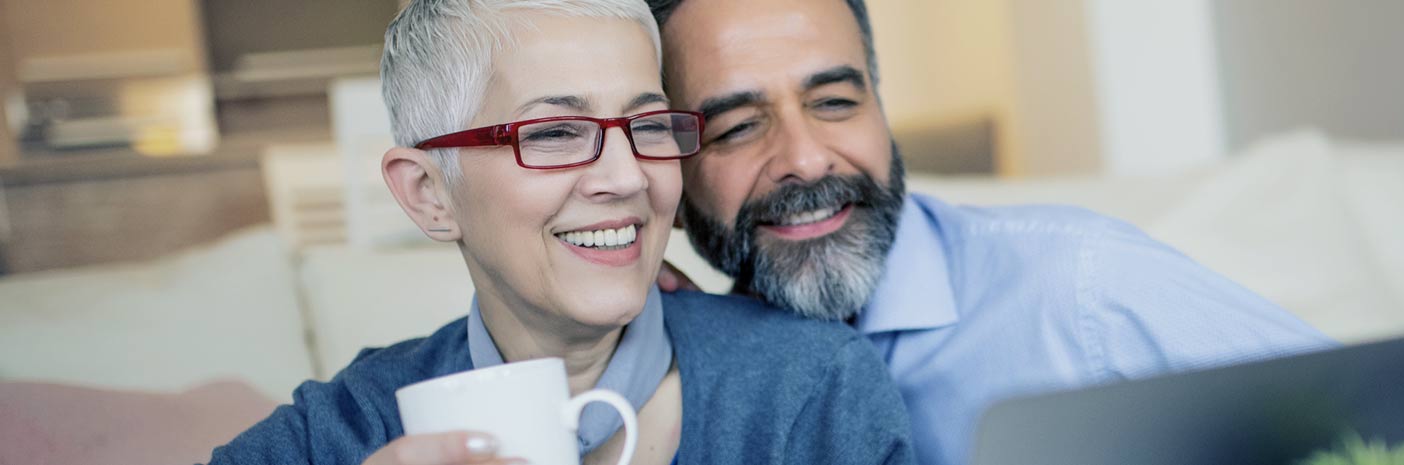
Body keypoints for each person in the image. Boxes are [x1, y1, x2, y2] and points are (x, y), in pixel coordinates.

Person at [208, 1, 914, 464]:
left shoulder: (811, 386)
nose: (628, 176)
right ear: (428, 194)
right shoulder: (348, 425)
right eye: (553, 132)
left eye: (646, 126)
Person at [644, 1, 1337, 464]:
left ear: (883, 112)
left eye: (835, 103)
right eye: (737, 127)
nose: (804, 158)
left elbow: (1389, 432)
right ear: (669, 179)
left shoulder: (1084, 289)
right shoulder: (680, 371)